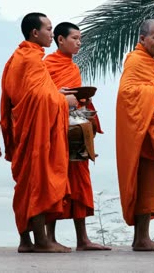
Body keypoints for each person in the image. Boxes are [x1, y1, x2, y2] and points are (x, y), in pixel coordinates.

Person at [0, 12, 78, 253]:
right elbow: (38, 98)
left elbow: (32, 93)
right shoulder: (31, 59)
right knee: (37, 182)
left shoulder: (20, 56)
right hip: (34, 131)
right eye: (48, 29)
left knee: (26, 184)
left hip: (26, 127)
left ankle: (27, 241)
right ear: (35, 32)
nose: (51, 34)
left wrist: (58, 95)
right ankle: (42, 241)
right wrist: (66, 102)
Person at [43, 22, 110, 251]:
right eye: (74, 38)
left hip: (77, 129)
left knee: (80, 183)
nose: (79, 42)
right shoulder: (47, 65)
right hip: (56, 130)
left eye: (80, 39)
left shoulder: (73, 67)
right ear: (60, 40)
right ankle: (49, 238)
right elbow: (45, 97)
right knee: (56, 183)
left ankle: (83, 239)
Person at [116, 19, 154, 252]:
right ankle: (141, 239)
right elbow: (127, 92)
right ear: (142, 39)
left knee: (150, 184)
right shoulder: (136, 60)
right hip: (139, 134)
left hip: (150, 128)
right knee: (143, 183)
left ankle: (142, 237)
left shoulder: (151, 63)